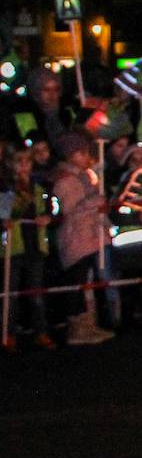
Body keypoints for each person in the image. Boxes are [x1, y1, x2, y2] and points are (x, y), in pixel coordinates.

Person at [48, 132, 113, 345]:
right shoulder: (65, 181)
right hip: (77, 237)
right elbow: (70, 210)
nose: (87, 157)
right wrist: (95, 201)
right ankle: (77, 328)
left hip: (89, 236)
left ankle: (89, 325)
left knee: (87, 281)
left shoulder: (82, 177)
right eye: (82, 153)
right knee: (77, 282)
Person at [2, 145, 55, 349]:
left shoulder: (39, 187)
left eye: (27, 162)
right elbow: (3, 215)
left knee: (36, 293)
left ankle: (41, 332)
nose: (24, 166)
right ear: (11, 164)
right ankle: (9, 334)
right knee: (11, 294)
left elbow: (52, 210)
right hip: (13, 247)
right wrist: (4, 222)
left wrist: (47, 217)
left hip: (35, 245)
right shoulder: (6, 188)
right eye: (19, 162)